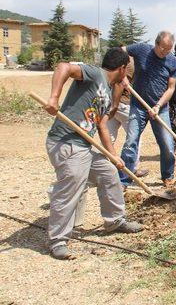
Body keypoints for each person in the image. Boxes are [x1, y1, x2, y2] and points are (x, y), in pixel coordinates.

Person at [43, 48, 143, 259]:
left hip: (83, 145)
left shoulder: (107, 90)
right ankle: (58, 239)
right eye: (127, 71)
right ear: (122, 68)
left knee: (108, 171)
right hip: (66, 141)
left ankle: (114, 220)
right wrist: (54, 98)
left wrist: (113, 156)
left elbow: (103, 126)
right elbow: (64, 67)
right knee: (71, 186)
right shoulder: (96, 74)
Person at [119, 31, 176, 188]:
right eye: (163, 48)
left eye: (169, 49)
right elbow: (121, 50)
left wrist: (158, 106)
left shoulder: (172, 61)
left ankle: (168, 175)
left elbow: (171, 88)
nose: (165, 52)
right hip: (138, 106)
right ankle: (124, 179)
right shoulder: (142, 49)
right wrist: (122, 74)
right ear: (156, 43)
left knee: (167, 144)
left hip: (161, 108)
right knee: (131, 141)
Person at [105, 56, 149, 177]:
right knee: (135, 137)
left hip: (114, 105)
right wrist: (115, 105)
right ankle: (132, 168)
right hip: (123, 105)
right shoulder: (128, 63)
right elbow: (120, 84)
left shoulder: (122, 61)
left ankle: (103, 168)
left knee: (109, 137)